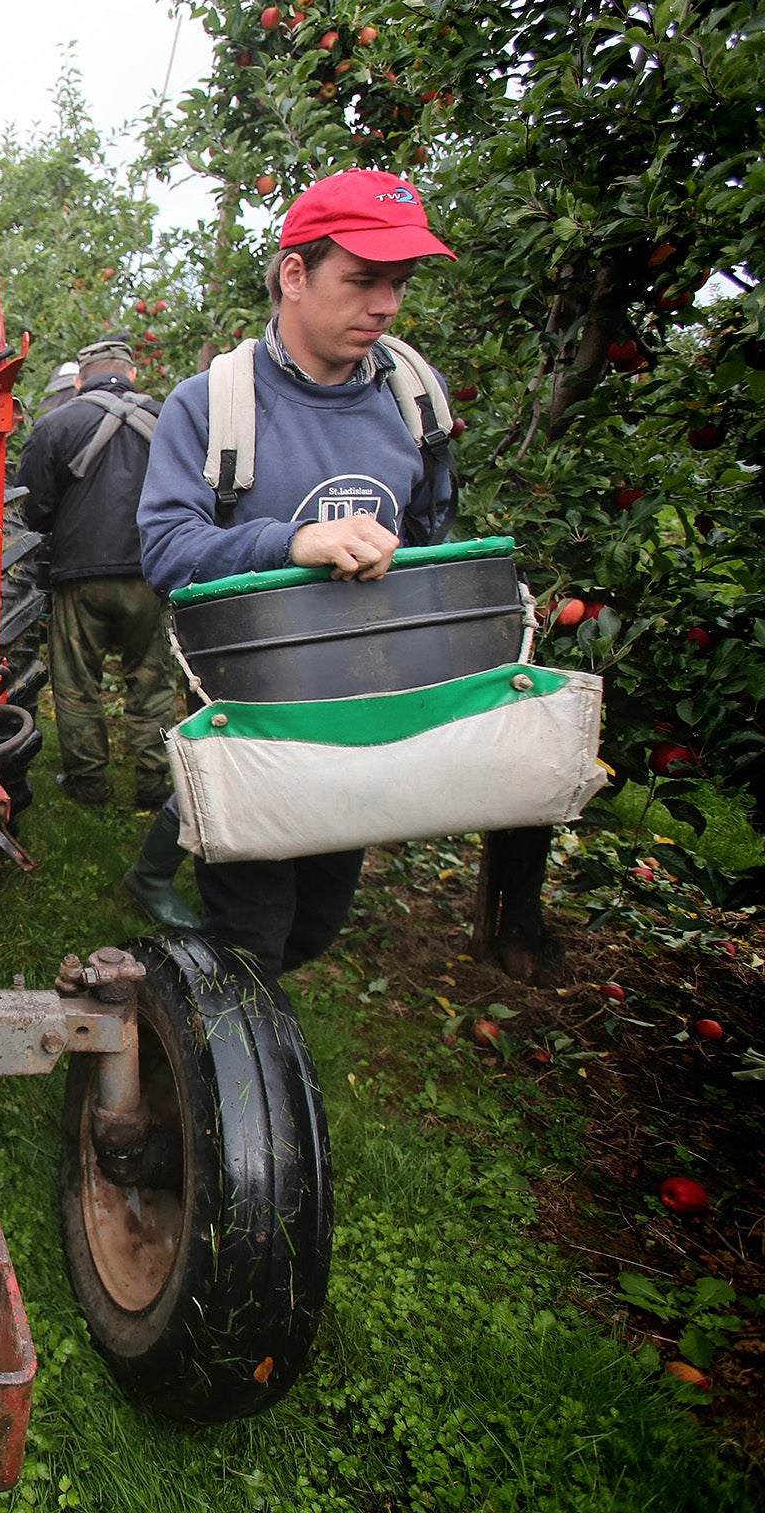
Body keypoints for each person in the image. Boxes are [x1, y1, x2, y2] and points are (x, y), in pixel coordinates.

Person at [135, 168, 459, 985]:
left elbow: (428, 540)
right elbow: (167, 550)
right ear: (294, 274)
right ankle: (220, 1087)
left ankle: (218, 1028)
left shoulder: (414, 401)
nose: (384, 306)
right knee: (250, 935)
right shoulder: (213, 405)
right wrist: (292, 542)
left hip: (358, 717)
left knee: (315, 924)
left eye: (398, 284)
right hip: (252, 717)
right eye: (363, 280)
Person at [19, 334, 180, 815]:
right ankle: (155, 785)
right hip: (152, 570)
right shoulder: (171, 418)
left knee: (76, 683)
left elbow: (34, 509)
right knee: (153, 683)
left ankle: (87, 784)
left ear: (81, 379)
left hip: (80, 575)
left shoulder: (55, 424)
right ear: (131, 373)